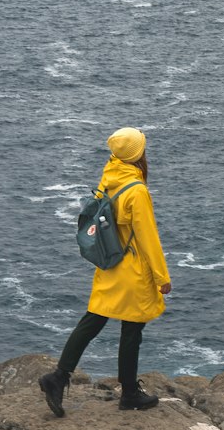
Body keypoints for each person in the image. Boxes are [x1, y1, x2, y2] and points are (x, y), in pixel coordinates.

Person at [39, 126, 172, 415]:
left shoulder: (109, 176)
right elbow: (148, 238)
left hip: (109, 262)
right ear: (138, 154)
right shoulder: (136, 191)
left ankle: (58, 377)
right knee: (132, 328)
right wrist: (162, 277)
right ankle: (130, 393)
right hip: (132, 269)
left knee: (93, 320)